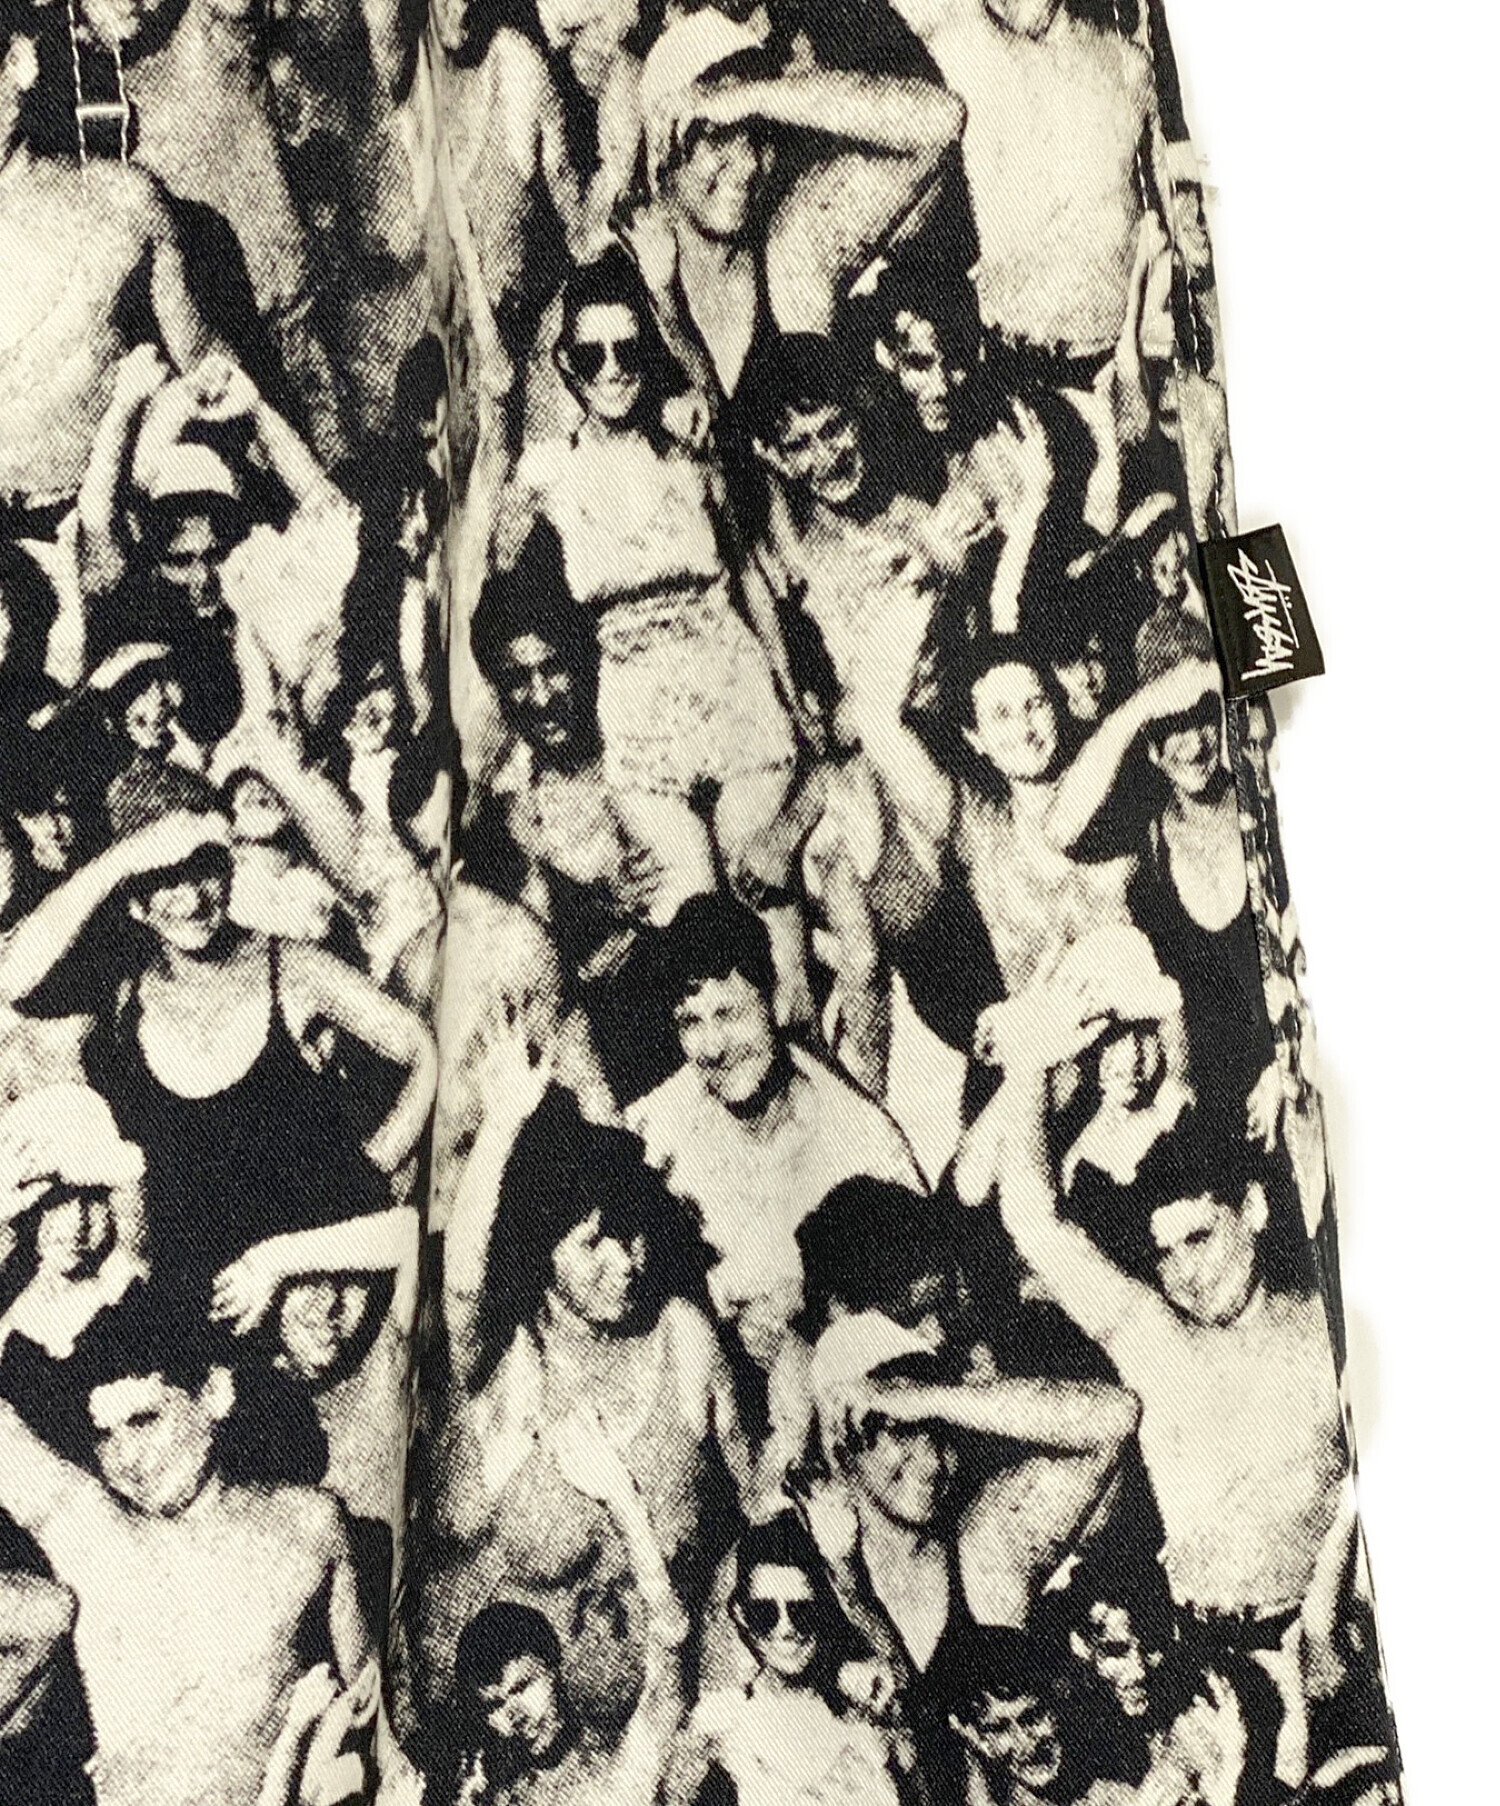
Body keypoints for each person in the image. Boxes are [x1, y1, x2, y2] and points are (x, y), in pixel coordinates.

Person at [989, 961, 1351, 1791]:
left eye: (1200, 1238)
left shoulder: (1325, 1333)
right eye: (1164, 1255)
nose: (1186, 1273)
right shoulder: (1158, 1342)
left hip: (1326, 1655)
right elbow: (1034, 1224)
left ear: (1252, 1210)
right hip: (1198, 1676)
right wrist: (1031, 1064)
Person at [0, 772, 436, 1321]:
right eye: (166, 878)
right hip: (196, 1319)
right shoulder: (121, 992)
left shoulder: (291, 968)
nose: (192, 899)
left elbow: (421, 1052)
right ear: (135, 902)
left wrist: (369, 1170)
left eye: (205, 869)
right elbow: (12, 978)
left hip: (316, 1301)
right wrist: (124, 857)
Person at [425, 1065, 749, 1726]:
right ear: (540, 1255)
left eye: (631, 1234)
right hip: (543, 1747)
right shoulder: (509, 1368)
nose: (626, 1262)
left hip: (686, 1711)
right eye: (594, 1244)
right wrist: (502, 1125)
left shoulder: (683, 1338)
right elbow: (461, 1287)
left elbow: (755, 1511)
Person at [0, 1282, 372, 1806]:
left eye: (144, 1420)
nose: (128, 1457)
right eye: (105, 1435)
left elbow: (369, 1701)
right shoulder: (92, 1533)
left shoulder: (310, 1523)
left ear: (214, 1394)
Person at [797, 1310, 1140, 1796]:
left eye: (936, 1431)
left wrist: (928, 1399)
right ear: (840, 1441)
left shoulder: (986, 1546)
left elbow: (1117, 1415)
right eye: (900, 1431)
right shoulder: (800, 1575)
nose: (931, 1460)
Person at [628, 894, 921, 1383]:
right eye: (690, 1022)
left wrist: (804, 1306)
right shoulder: (655, 1131)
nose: (713, 1046)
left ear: (775, 1001)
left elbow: (917, 1302)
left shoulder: (860, 1142)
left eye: (729, 1014)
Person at [0, 0, 212, 516]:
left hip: (144, 519)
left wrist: (317, 499)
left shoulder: (122, 203)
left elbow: (214, 375)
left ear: (20, 63)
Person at [666, 1510, 910, 1806]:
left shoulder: (863, 1717)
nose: (786, 1629)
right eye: (765, 1613)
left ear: (822, 1610)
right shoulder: (722, 1726)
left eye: (801, 1611)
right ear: (741, 1615)